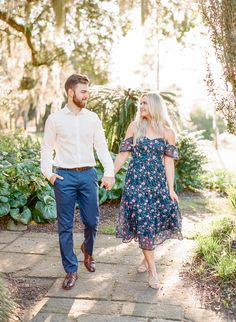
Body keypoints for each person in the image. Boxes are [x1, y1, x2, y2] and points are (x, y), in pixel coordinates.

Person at [41, 74, 115, 290]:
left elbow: (101, 147)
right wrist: (49, 174)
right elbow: (46, 148)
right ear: (70, 92)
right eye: (83, 92)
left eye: (87, 91)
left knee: (92, 221)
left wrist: (108, 172)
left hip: (88, 175)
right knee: (65, 226)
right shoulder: (55, 119)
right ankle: (71, 269)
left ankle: (87, 251)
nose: (87, 95)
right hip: (64, 177)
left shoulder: (92, 118)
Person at [114, 92, 182, 289]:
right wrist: (110, 173)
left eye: (145, 103)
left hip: (157, 185)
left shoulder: (168, 132)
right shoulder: (135, 127)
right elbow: (123, 154)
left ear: (155, 106)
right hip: (136, 183)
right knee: (143, 222)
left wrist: (171, 189)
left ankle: (146, 256)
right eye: (140, 103)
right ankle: (153, 271)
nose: (141, 106)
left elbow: (169, 163)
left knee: (152, 225)